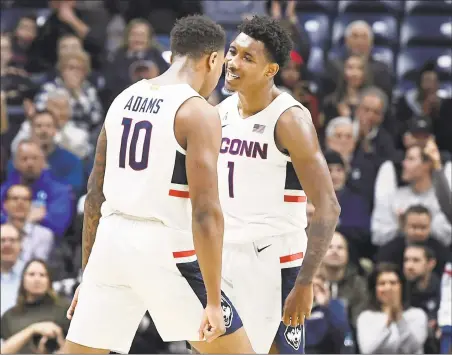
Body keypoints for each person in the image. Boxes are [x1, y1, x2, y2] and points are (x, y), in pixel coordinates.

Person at [61, 15, 253, 354]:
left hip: (111, 241)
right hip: (164, 246)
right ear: (213, 59)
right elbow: (206, 212)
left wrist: (88, 275)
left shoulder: (123, 98)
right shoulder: (198, 112)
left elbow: (94, 194)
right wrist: (212, 299)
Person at [216, 15, 340, 354]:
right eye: (232, 51)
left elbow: (328, 207)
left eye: (247, 57)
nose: (232, 62)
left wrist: (305, 282)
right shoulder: (221, 111)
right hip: (224, 254)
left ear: (271, 71)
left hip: (274, 262)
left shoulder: (290, 120)